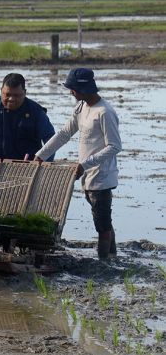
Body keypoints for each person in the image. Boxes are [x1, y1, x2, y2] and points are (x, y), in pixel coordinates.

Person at [34, 68, 122, 260]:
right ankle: (113, 257)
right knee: (102, 219)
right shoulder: (81, 107)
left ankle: (104, 263)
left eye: (73, 89)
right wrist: (41, 155)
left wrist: (85, 164)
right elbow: (65, 133)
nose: (70, 92)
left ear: (83, 89)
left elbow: (114, 146)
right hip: (88, 173)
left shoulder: (104, 112)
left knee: (101, 222)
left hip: (101, 176)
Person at [0, 73, 55, 161]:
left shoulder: (36, 112)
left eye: (16, 95)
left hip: (28, 167)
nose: (11, 99)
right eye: (7, 94)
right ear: (1, 91)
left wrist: (44, 160)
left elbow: (51, 139)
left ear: (24, 93)